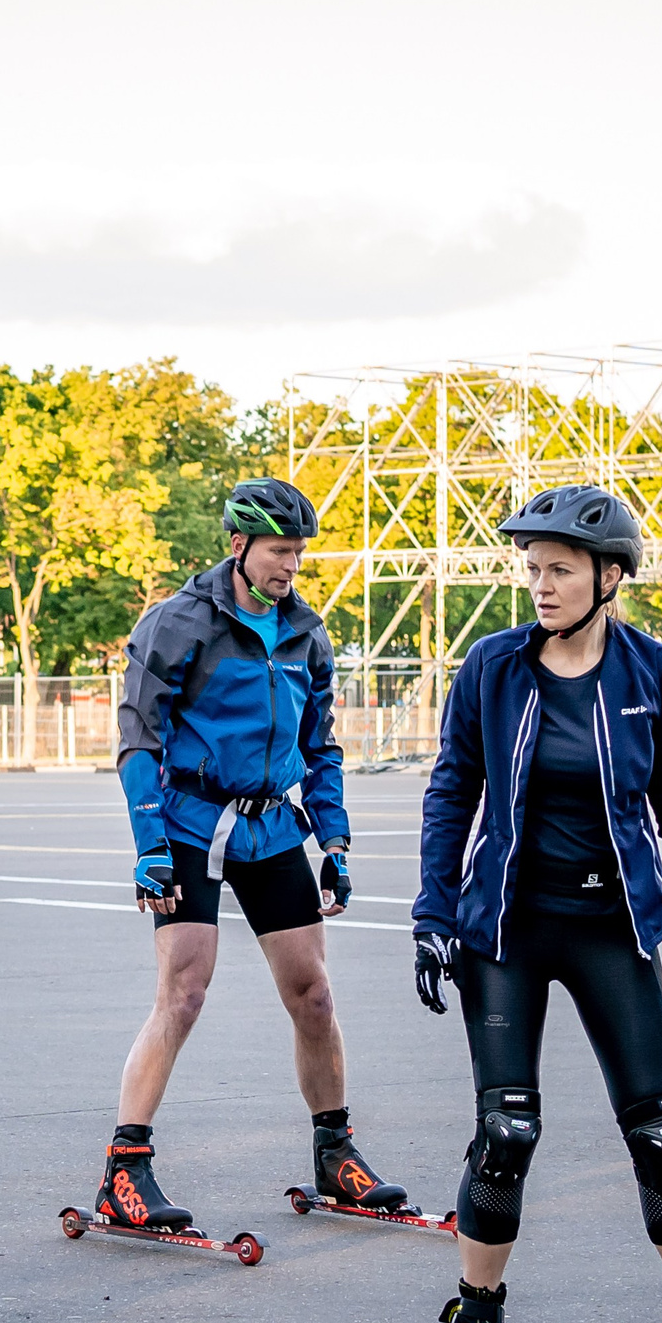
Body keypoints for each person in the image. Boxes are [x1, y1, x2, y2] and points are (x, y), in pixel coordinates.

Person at [410, 484, 662, 1323]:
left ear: (610, 576)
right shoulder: (492, 668)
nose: (539, 583)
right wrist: (433, 911)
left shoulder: (652, 676)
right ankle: (479, 1314)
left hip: (615, 925)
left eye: (559, 569)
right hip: (507, 929)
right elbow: (453, 789)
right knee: (508, 1131)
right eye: (531, 568)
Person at [103, 477, 400, 1231]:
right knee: (185, 992)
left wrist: (332, 839)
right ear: (238, 546)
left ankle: (336, 1152)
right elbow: (138, 740)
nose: (289, 567)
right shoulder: (176, 623)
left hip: (273, 829)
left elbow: (319, 746)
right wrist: (151, 848)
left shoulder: (306, 632)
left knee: (316, 995)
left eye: (298, 553)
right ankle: (124, 1170)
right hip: (193, 828)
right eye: (277, 552)